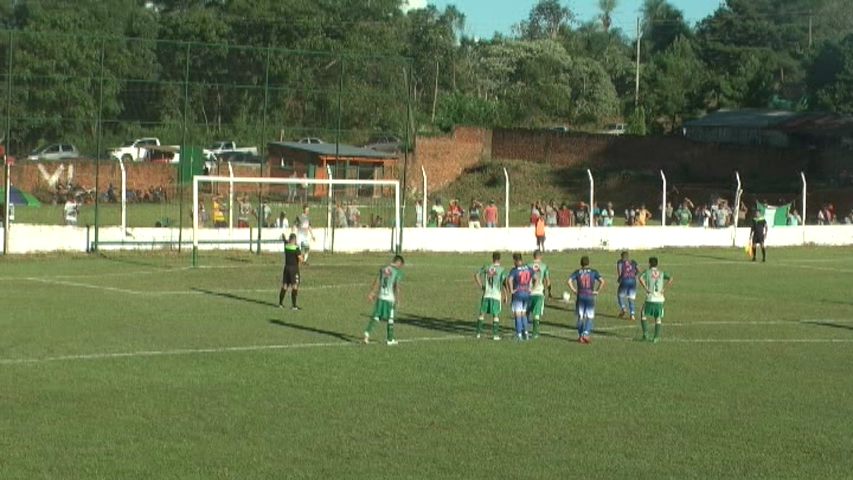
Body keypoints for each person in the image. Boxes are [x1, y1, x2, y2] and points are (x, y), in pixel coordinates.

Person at [363, 255, 405, 345]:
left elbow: (377, 281)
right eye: (401, 265)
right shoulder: (397, 271)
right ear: (398, 262)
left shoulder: (383, 269)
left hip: (381, 296)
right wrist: (398, 298)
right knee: (390, 318)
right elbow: (396, 285)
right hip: (389, 298)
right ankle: (390, 339)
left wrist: (372, 292)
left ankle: (367, 332)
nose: (400, 267)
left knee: (377, 316)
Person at [568, 255, 605, 344]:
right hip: (589, 295)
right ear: (588, 263)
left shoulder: (577, 272)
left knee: (580, 317)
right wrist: (597, 291)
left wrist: (574, 290)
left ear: (581, 263)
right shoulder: (593, 272)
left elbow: (569, 281)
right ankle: (586, 333)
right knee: (589, 317)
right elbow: (602, 281)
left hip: (580, 295)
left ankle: (581, 336)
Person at [638, 256, 674, 343]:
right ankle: (656, 337)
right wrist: (664, 289)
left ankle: (645, 334)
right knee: (658, 317)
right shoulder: (661, 272)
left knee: (643, 313)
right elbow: (671, 278)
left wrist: (646, 288)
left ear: (649, 264)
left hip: (650, 298)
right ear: (657, 264)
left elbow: (640, 278)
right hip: (660, 298)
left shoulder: (647, 272)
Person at [474, 252, 506, 340]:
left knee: (482, 314)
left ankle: (478, 333)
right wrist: (505, 295)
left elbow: (476, 275)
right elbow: (503, 283)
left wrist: (481, 286)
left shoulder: (487, 267)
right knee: (495, 315)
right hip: (496, 295)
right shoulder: (501, 269)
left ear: (492, 258)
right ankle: (495, 335)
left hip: (486, 294)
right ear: (500, 259)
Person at [506, 252, 533, 340]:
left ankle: (519, 335)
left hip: (518, 293)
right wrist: (532, 288)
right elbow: (537, 278)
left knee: (518, 314)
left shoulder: (515, 270)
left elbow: (509, 280)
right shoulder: (528, 268)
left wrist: (511, 290)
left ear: (514, 260)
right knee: (524, 313)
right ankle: (526, 333)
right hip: (527, 293)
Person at [527, 250, 550, 339]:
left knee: (527, 312)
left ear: (533, 256)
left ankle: (524, 330)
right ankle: (535, 333)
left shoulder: (528, 265)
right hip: (539, 292)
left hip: (529, 292)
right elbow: (547, 280)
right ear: (540, 256)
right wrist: (549, 291)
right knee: (536, 313)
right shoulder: (544, 266)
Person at [279, 233, 303, 310]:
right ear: (295, 240)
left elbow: (285, 241)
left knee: (285, 285)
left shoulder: (286, 246)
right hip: (294, 269)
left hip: (286, 268)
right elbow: (301, 259)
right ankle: (294, 305)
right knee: (294, 286)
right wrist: (303, 255)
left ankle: (280, 303)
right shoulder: (296, 248)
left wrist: (283, 237)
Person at [616, 251, 639, 320]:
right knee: (631, 298)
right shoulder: (633, 262)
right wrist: (634, 274)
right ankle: (632, 314)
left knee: (620, 295)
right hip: (632, 280)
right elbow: (638, 269)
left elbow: (619, 271)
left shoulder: (620, 262)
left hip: (624, 280)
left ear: (622, 256)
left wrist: (619, 278)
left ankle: (623, 308)